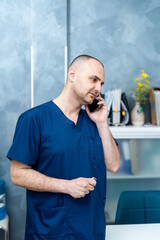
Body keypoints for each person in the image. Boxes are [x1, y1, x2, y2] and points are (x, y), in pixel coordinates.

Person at [7, 55, 120, 240]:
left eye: (102, 83)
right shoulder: (34, 119)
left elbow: (114, 165)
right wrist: (67, 186)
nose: (98, 88)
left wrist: (102, 123)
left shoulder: (94, 122)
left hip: (92, 230)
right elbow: (17, 174)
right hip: (50, 230)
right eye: (94, 79)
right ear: (72, 74)